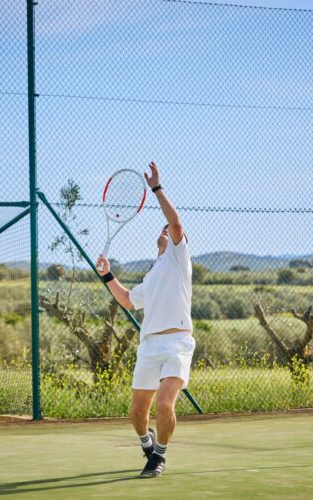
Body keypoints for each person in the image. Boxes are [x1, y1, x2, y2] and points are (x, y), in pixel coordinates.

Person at [96, 161, 194, 479]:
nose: (165, 230)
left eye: (169, 229)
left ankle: (159, 457)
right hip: (149, 345)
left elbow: (176, 220)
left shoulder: (179, 260)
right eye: (162, 228)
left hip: (177, 343)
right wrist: (107, 274)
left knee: (165, 405)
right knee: (138, 413)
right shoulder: (151, 276)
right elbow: (126, 299)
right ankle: (147, 443)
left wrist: (156, 188)